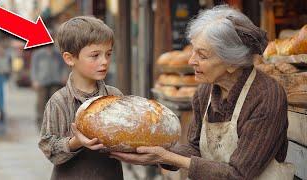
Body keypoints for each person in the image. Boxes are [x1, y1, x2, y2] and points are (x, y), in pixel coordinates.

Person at [110, 5, 295, 180]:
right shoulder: (205, 91)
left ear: (232, 62)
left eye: (202, 55)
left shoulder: (266, 96)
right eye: (192, 51)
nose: (191, 61)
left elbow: (239, 174)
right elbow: (195, 147)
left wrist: (168, 157)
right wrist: (156, 154)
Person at [38, 16, 123, 180]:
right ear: (70, 58)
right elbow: (48, 146)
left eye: (108, 54)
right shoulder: (59, 101)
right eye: (95, 55)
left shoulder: (115, 96)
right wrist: (75, 142)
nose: (104, 61)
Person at [30, 44, 69, 131]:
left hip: (55, 81)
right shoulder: (38, 53)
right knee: (41, 104)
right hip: (42, 82)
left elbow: (63, 66)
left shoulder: (57, 53)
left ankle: (54, 125)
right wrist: (34, 80)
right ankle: (40, 124)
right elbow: (34, 68)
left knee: (55, 104)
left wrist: (64, 76)